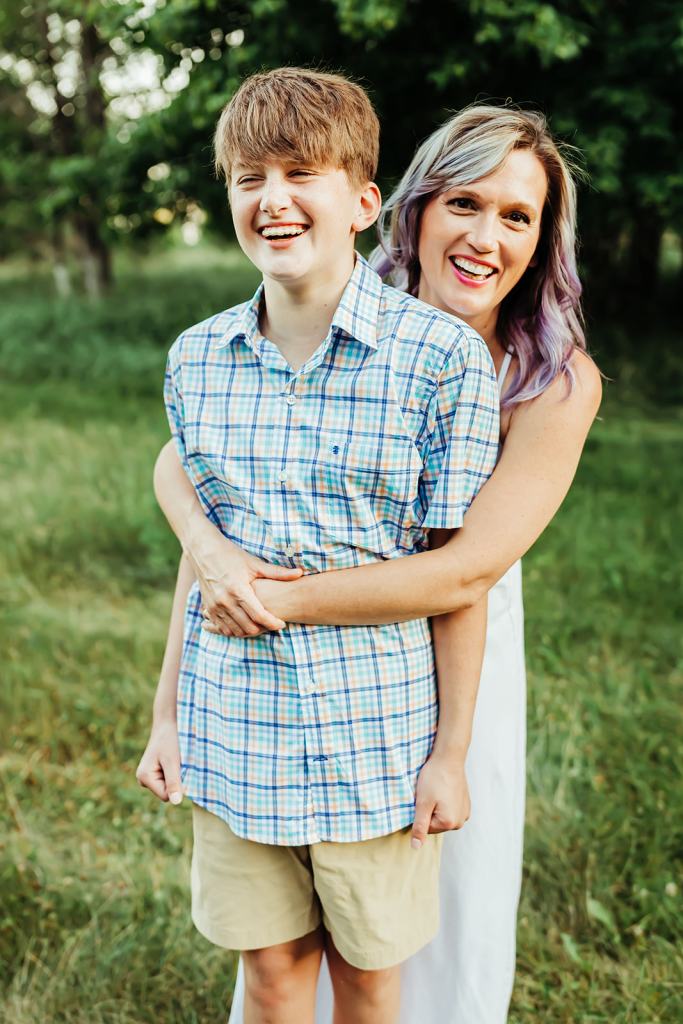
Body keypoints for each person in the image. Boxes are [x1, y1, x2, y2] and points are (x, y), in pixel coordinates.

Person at [152, 102, 602, 1023]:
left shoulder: (548, 375)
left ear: (542, 238)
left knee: (421, 915)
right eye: (463, 205)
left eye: (516, 217)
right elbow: (190, 461)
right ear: (409, 208)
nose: (483, 237)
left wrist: (264, 596)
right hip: (274, 666)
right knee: (280, 949)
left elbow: (459, 577)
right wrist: (211, 552)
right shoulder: (322, 292)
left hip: (431, 647)